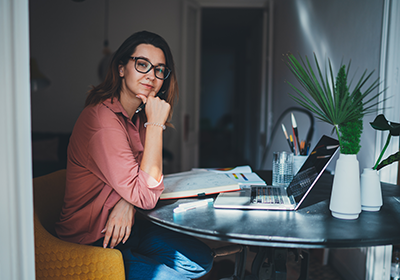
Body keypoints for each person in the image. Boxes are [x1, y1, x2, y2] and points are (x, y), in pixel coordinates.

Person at [55, 31, 213, 279]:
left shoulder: (137, 117)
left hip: (126, 229)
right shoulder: (102, 121)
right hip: (92, 242)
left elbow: (143, 180)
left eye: (160, 69)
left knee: (201, 260)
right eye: (142, 65)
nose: (151, 75)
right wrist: (156, 125)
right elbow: (146, 193)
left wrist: (127, 202)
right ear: (121, 69)